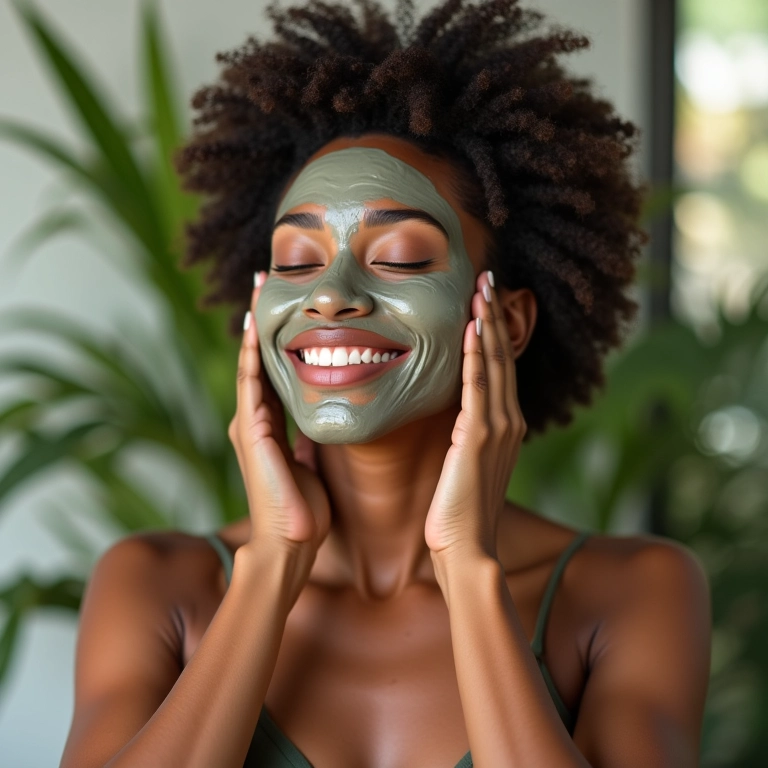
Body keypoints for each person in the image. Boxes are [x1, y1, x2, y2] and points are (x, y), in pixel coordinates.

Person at [60, 1, 712, 766]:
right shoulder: (156, 586)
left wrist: (468, 569)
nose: (329, 294)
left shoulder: (633, 593)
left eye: (401, 257)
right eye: (297, 262)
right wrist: (273, 563)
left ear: (505, 321)